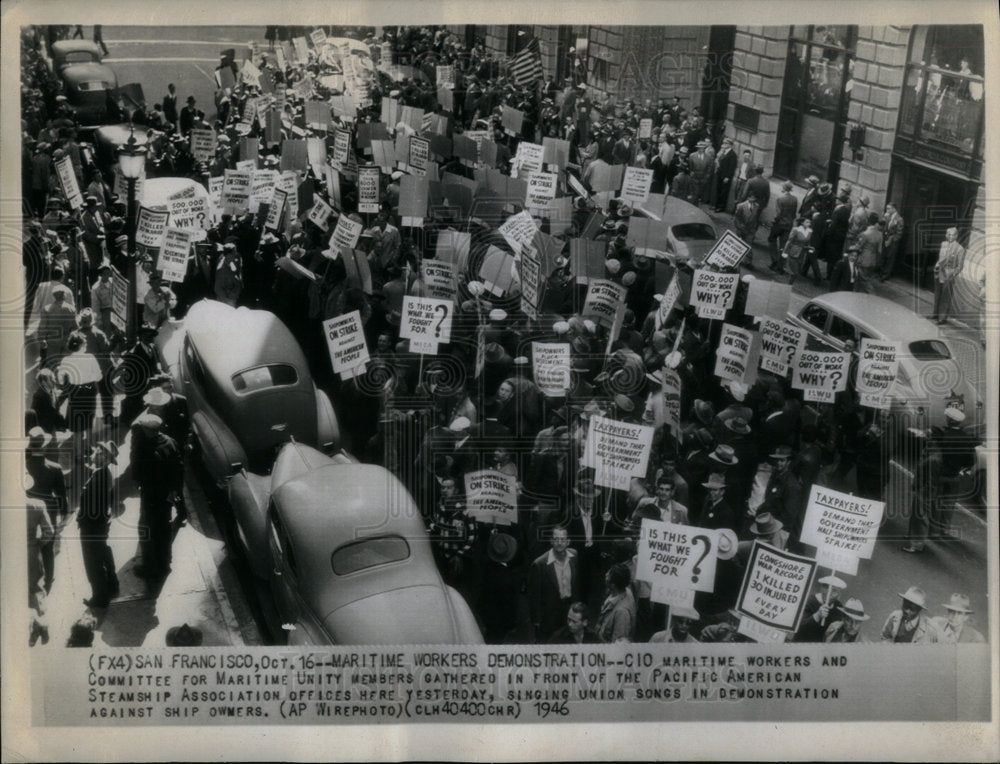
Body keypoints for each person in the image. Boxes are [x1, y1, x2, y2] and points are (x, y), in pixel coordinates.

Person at [130, 413, 183, 580]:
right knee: (164, 529)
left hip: (150, 497)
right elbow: (179, 469)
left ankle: (150, 567)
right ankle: (165, 562)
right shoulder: (170, 442)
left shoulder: (145, 448)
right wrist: (174, 491)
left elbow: (137, 473)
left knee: (147, 530)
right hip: (167, 496)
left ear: (147, 430)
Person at [77, 441, 119, 608]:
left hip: (92, 526)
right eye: (99, 449)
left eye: (102, 453)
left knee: (92, 561)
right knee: (103, 553)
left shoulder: (100, 477)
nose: (97, 452)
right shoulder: (102, 473)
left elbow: (93, 505)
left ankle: (99, 597)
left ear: (107, 459)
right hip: (100, 524)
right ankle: (112, 584)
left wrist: (83, 521)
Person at [529, 527, 581, 642]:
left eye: (563, 540)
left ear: (568, 541)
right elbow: (535, 596)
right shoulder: (539, 564)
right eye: (556, 539)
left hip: (569, 609)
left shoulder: (574, 556)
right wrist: (537, 621)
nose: (559, 543)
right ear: (551, 541)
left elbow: (575, 585)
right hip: (549, 613)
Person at [931, 227, 966, 324]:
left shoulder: (960, 249)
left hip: (948, 275)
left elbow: (960, 266)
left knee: (945, 296)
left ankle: (942, 318)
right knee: (937, 294)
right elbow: (940, 258)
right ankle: (935, 314)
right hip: (939, 272)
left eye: (952, 235)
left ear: (956, 236)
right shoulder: (943, 244)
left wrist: (952, 274)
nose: (950, 236)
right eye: (948, 234)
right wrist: (936, 266)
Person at [595, 562, 636, 642]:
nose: (605, 574)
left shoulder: (622, 613)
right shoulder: (623, 590)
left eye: (608, 575)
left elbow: (617, 646)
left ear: (613, 585)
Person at [769, 181, 799, 269]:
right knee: (784, 245)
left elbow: (778, 214)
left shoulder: (780, 198)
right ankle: (780, 266)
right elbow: (794, 214)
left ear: (784, 188)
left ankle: (774, 260)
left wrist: (774, 221)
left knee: (772, 240)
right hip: (788, 225)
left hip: (779, 224)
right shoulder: (795, 199)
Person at [855, 212, 883, 294]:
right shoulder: (880, 234)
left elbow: (859, 247)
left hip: (864, 260)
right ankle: (856, 294)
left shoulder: (865, 234)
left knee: (864, 280)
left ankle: (873, 296)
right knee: (863, 278)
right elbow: (879, 250)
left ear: (868, 221)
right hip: (873, 260)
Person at [879, 202, 904, 280]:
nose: (887, 210)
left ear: (894, 209)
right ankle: (880, 272)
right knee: (883, 256)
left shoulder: (899, 219)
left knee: (890, 258)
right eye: (887, 208)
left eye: (889, 208)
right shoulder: (887, 216)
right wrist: (883, 218)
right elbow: (881, 225)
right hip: (885, 239)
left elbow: (899, 233)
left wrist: (892, 240)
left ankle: (885, 275)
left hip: (892, 241)